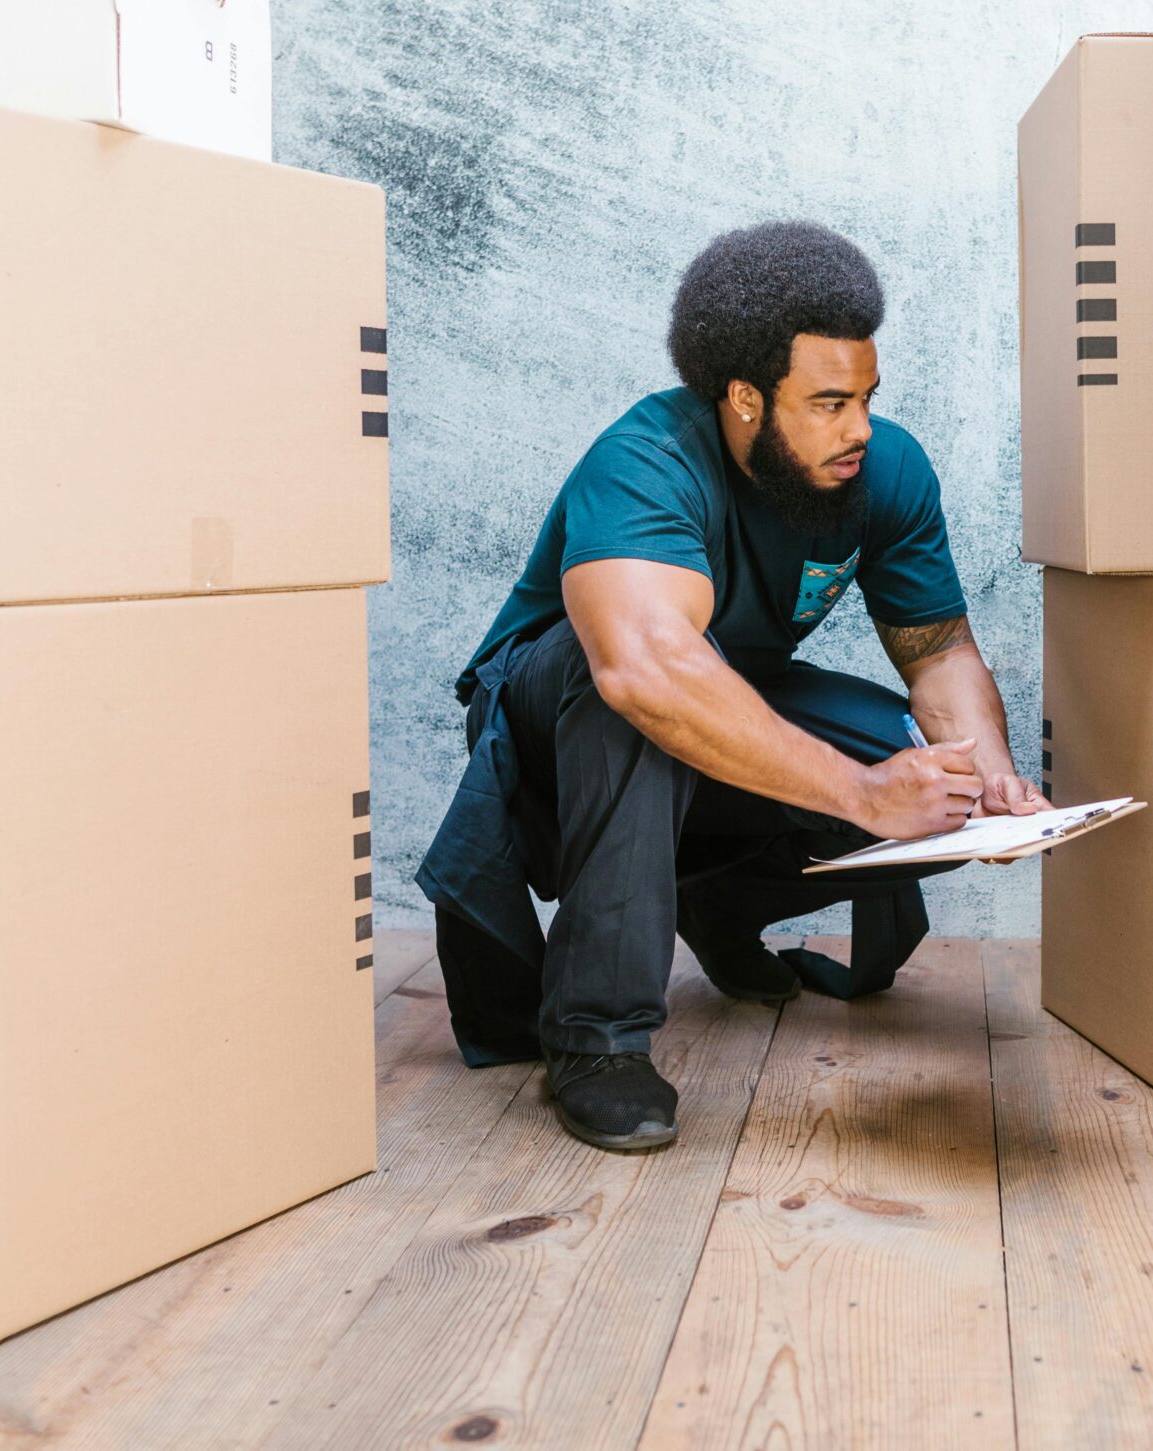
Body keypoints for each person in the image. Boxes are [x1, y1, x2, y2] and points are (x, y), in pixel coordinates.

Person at [415, 220, 1049, 1151]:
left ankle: (720, 903)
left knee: (928, 769)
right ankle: (598, 1037)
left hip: (714, 702)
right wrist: (865, 796)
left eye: (868, 396)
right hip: (560, 727)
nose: (860, 428)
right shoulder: (648, 458)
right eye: (829, 402)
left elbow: (940, 651)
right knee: (638, 696)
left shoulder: (886, 470)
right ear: (745, 398)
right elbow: (645, 667)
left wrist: (990, 782)